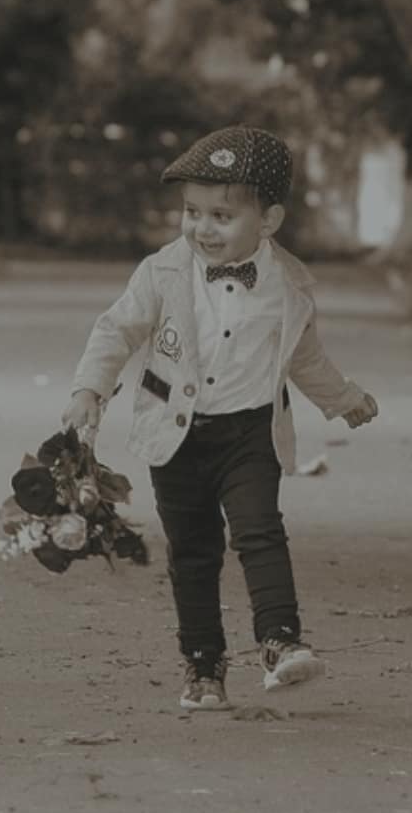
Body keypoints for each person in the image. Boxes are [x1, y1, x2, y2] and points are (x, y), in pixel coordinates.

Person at [61, 126, 378, 711]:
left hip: (249, 432)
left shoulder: (290, 286)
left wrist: (344, 398)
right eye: (192, 212)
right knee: (194, 552)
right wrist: (89, 390)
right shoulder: (162, 272)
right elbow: (116, 331)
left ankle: (280, 641)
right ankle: (203, 667)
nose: (202, 228)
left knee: (260, 532)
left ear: (270, 220)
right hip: (175, 435)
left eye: (222, 216)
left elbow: (304, 357)